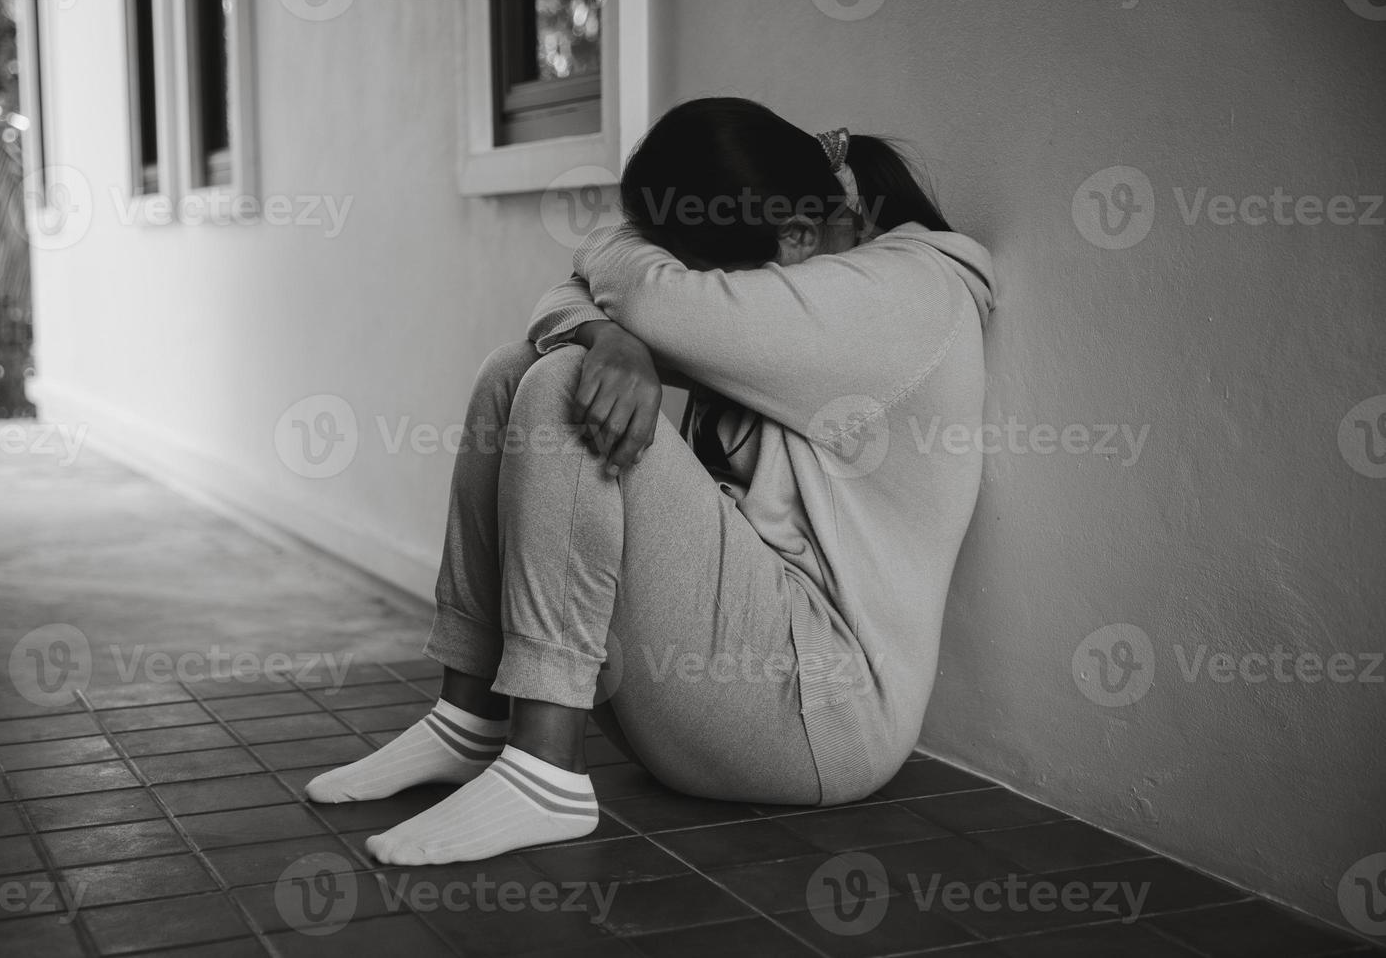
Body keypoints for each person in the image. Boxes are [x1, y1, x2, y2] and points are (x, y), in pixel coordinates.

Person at [306, 98, 997, 867]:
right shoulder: (804, 258)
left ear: (798, 236)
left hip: (822, 718)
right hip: (720, 686)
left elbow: (630, 285)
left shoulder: (901, 299)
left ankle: (545, 773)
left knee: (564, 386)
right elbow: (583, 289)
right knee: (515, 372)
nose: (683, 281)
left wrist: (613, 324)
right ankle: (468, 720)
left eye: (701, 270)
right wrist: (610, 338)